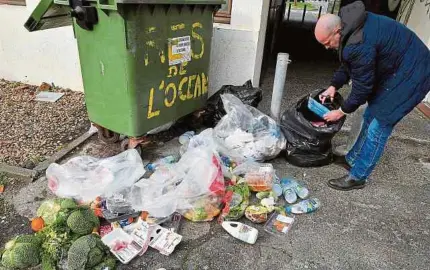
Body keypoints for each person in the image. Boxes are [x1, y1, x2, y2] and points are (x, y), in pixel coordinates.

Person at [314, 1, 430, 191]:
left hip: (414, 74)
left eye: (327, 43)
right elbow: (349, 62)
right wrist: (334, 85)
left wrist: (342, 111)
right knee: (369, 115)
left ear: (337, 31)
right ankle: (352, 158)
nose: (327, 48)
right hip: (399, 68)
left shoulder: (357, 42)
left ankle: (358, 176)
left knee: (379, 125)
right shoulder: (350, 28)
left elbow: (362, 88)